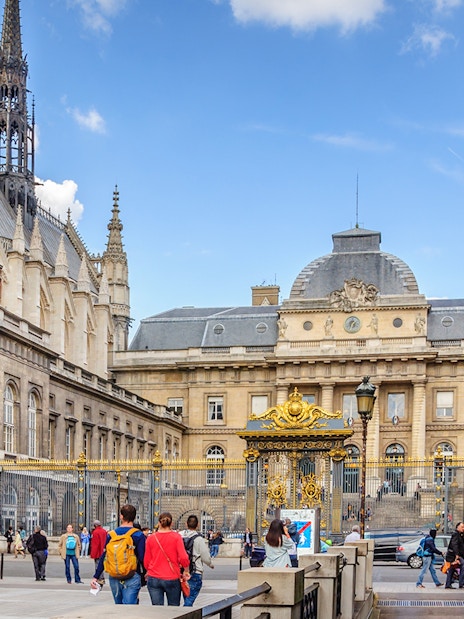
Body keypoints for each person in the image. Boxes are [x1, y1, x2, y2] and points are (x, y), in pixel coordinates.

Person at [91, 504, 146, 604]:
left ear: (121, 516)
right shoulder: (138, 534)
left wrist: (96, 576)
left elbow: (104, 557)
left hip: (114, 575)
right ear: (134, 517)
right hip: (132, 574)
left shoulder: (111, 534)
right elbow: (142, 558)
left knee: (119, 607)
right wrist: (145, 574)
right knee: (129, 608)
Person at [144, 511, 190, 606]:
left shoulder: (151, 538)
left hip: (154, 576)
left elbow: (146, 560)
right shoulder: (176, 537)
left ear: (159, 523)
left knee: (157, 609)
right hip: (172, 576)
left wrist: (148, 570)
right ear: (171, 523)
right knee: (173, 608)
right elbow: (183, 557)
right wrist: (186, 570)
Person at [180, 514, 214, 606]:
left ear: (186, 524)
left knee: (186, 596)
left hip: (181, 571)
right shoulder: (198, 538)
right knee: (189, 600)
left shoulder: (179, 536)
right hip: (195, 571)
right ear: (198, 525)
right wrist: (210, 564)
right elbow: (205, 556)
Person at [445, 521, 464, 589]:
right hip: (453, 555)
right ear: (457, 527)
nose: (463, 528)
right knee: (462, 565)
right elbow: (454, 544)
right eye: (462, 527)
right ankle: (461, 583)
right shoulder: (455, 534)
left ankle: (448, 584)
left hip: (455, 555)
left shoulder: (460, 534)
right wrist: (457, 555)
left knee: (451, 569)